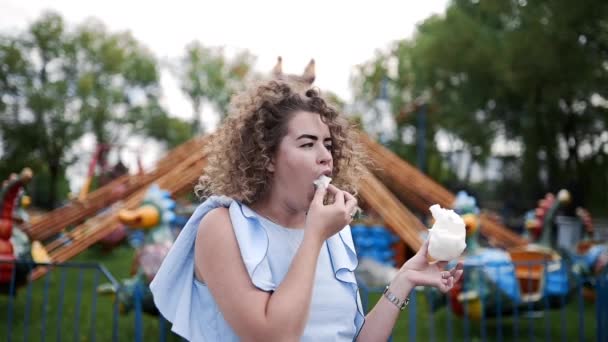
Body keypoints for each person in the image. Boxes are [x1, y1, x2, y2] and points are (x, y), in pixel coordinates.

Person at [150, 65, 464, 341]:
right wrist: (314, 237)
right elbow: (274, 337)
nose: (325, 156)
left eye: (328, 144)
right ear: (268, 157)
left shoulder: (333, 233)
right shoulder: (223, 226)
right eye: (307, 143)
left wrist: (405, 278)